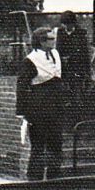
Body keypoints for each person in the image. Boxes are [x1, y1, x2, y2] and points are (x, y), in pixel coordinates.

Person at [16, 27, 66, 180]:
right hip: (38, 110)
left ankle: (54, 180)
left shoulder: (56, 54)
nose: (54, 41)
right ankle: (35, 182)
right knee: (38, 147)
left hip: (56, 108)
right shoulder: (30, 60)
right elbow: (22, 87)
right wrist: (23, 112)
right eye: (51, 39)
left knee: (56, 145)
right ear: (42, 41)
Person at [57, 10, 92, 123]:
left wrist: (87, 70)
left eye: (69, 24)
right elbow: (59, 49)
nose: (67, 27)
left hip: (78, 67)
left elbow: (84, 52)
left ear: (73, 23)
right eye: (65, 24)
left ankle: (79, 121)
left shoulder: (81, 33)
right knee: (65, 94)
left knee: (78, 95)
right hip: (65, 69)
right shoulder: (60, 32)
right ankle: (68, 120)